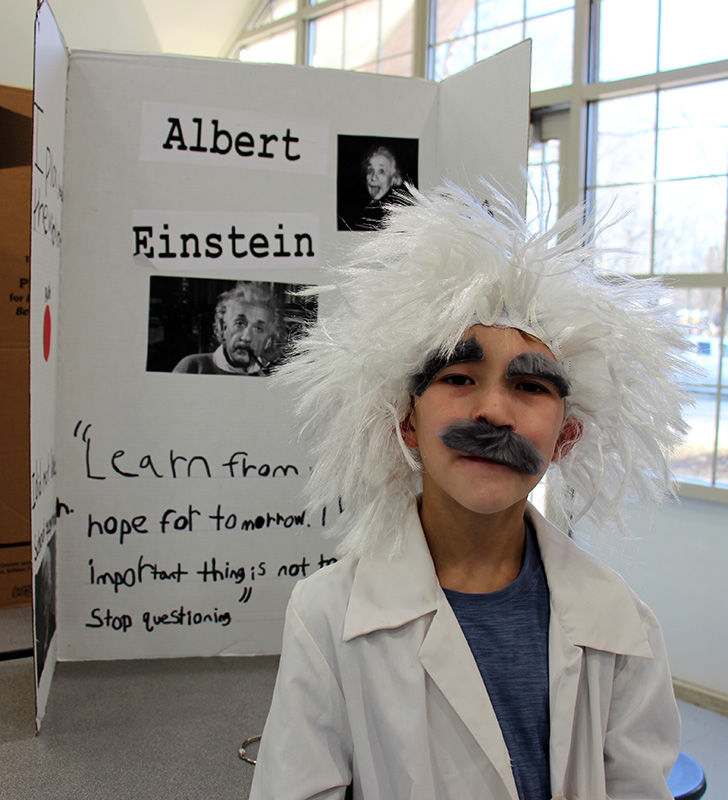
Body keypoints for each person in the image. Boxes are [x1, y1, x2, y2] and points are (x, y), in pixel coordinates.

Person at [249, 183, 692, 800]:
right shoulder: (327, 616)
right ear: (406, 421)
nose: (493, 412)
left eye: (531, 388)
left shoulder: (618, 622)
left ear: (565, 437)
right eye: (459, 377)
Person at [173, 281, 282, 375]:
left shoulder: (273, 377)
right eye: (240, 323)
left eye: (258, 329)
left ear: (268, 340)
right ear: (223, 328)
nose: (246, 337)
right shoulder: (192, 367)